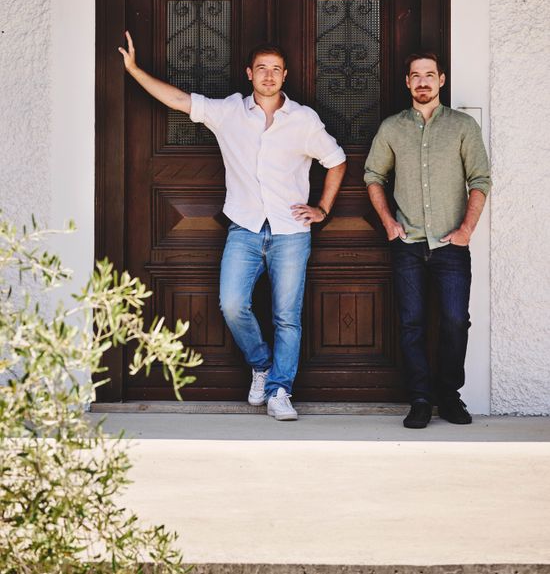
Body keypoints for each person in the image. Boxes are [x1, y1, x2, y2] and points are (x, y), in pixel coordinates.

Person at [119, 32, 346, 421]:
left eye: (276, 69)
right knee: (232, 304)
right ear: (249, 73)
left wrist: (322, 208)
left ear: (285, 75)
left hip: (291, 232)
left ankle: (280, 391)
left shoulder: (304, 120)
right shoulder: (229, 112)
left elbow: (336, 161)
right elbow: (179, 100)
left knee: (287, 317)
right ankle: (262, 365)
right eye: (262, 69)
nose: (269, 76)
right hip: (244, 228)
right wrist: (134, 70)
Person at [364, 52, 491, 428]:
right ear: (407, 82)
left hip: (451, 246)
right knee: (412, 323)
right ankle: (420, 399)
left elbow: (480, 180)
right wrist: (389, 223)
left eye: (429, 75)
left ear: (441, 80)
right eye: (416, 76)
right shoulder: (392, 128)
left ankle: (449, 397)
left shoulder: (463, 126)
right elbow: (373, 175)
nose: (423, 82)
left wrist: (466, 231)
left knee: (455, 321)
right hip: (407, 244)